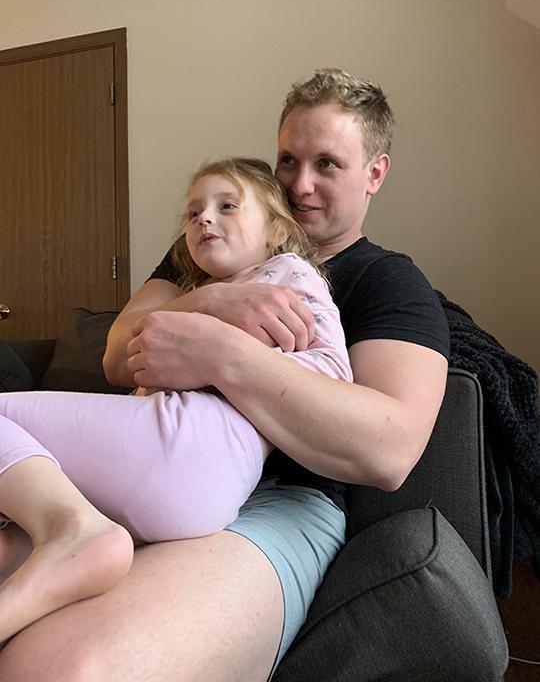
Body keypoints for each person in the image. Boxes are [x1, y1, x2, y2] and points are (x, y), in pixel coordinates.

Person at [0, 69, 449, 682]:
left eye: (327, 164)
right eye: (287, 160)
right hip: (142, 457)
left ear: (375, 173)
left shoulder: (389, 280)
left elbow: (389, 450)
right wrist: (210, 301)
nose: (299, 184)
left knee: (61, 668)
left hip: (283, 499)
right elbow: (117, 355)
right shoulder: (201, 258)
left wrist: (220, 353)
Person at [0, 157, 353, 645]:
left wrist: (223, 362)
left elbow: (333, 372)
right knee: (19, 531)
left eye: (227, 206)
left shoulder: (286, 272)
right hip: (193, 495)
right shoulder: (201, 293)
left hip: (192, 441)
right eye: (193, 212)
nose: (204, 217)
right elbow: (121, 360)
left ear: (276, 230)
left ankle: (75, 533)